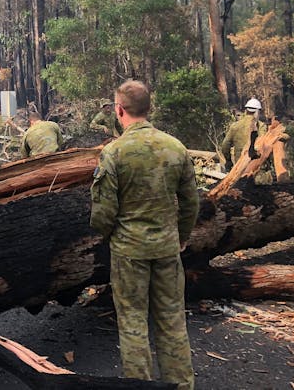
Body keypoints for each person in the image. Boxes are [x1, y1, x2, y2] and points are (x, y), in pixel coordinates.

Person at [90, 80, 199, 390]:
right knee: (172, 322)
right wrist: (181, 236)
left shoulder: (114, 153)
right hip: (167, 249)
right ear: (149, 108)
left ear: (119, 110)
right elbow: (191, 201)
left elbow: (103, 213)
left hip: (128, 253)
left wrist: (110, 236)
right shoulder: (175, 147)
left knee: (133, 325)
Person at [220, 97, 267, 172]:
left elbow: (225, 146)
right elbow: (263, 145)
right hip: (256, 166)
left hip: (239, 166)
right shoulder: (261, 126)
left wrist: (228, 161)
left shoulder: (235, 126)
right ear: (258, 112)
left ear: (246, 110)